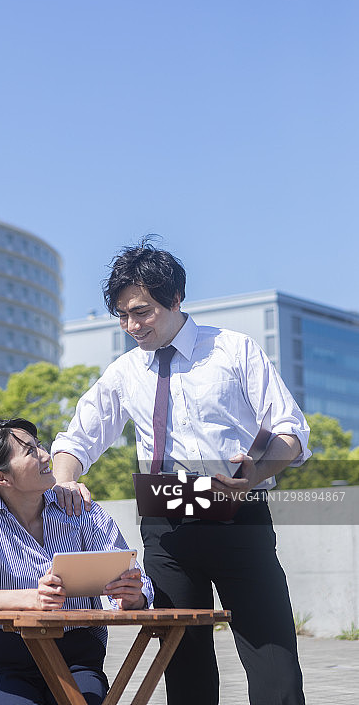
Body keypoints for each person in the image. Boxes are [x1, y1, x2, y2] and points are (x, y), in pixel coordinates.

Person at [51, 240, 311, 705]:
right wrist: (66, 477)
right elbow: (75, 441)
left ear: (175, 298)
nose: (132, 326)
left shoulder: (234, 351)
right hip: (165, 524)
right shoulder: (125, 371)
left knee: (274, 664)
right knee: (184, 668)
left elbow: (291, 432)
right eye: (123, 315)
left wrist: (257, 473)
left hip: (238, 511)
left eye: (143, 311)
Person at [0, 417, 154, 705]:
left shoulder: (78, 507)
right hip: (3, 663)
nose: (47, 455)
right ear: (1, 478)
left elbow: (136, 577)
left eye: (39, 446)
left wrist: (131, 598)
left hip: (76, 659)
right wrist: (28, 599)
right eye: (30, 452)